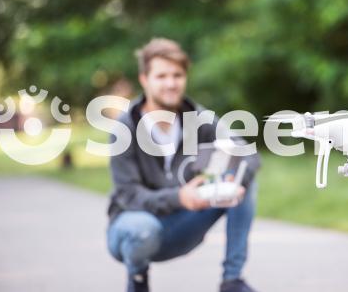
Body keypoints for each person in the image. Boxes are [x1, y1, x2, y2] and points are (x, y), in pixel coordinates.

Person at [106, 38, 261, 292]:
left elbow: (249, 154)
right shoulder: (125, 128)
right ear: (144, 79)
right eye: (162, 76)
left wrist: (232, 181)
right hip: (133, 230)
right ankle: (137, 279)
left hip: (183, 226)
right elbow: (129, 195)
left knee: (243, 179)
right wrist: (179, 197)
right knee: (143, 228)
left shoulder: (198, 118)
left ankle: (232, 280)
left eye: (177, 75)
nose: (171, 83)